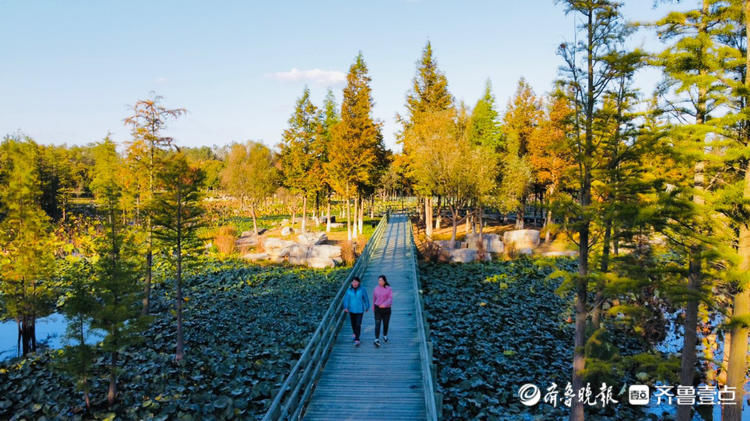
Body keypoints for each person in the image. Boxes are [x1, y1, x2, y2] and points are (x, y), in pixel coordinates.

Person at [343, 276, 369, 346]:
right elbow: (346, 299)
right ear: (351, 283)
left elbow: (365, 298)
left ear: (359, 282)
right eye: (353, 282)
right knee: (353, 324)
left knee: (358, 324)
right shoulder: (349, 290)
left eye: (356, 282)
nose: (354, 283)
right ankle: (355, 333)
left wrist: (367, 306)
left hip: (360, 310)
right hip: (351, 310)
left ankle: (357, 339)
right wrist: (345, 307)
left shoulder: (362, 289)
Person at [372, 274, 393, 347]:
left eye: (381, 280)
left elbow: (390, 299)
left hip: (386, 309)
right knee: (377, 324)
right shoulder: (376, 288)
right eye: (379, 280)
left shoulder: (389, 288)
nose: (380, 282)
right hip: (377, 309)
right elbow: (374, 298)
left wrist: (384, 304)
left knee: (386, 323)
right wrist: (373, 307)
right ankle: (376, 338)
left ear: (384, 281)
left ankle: (385, 335)